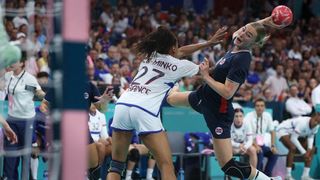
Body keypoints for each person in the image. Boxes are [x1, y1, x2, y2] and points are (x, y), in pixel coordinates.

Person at [166, 16, 286, 180]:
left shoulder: (242, 59)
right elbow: (244, 29)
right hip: (203, 97)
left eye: (248, 35)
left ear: (253, 43)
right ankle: (172, 80)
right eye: (244, 30)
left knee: (228, 167)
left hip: (218, 112)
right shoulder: (237, 43)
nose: (242, 34)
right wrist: (268, 20)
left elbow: (228, 92)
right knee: (171, 99)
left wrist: (206, 76)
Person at [107, 26, 227, 180]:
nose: (178, 48)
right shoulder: (180, 66)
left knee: (116, 165)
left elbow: (181, 51)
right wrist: (224, 60)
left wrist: (208, 43)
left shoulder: (150, 56)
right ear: (172, 48)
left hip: (123, 105)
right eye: (176, 45)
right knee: (166, 165)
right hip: (144, 109)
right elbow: (208, 72)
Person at [2, 51, 46, 180]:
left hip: (27, 122)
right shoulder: (7, 76)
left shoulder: (30, 79)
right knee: (10, 157)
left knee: (26, 158)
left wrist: (47, 97)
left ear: (22, 63)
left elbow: (39, 93)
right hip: (11, 121)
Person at [276, 114, 319, 180]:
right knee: (292, 148)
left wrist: (309, 150)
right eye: (315, 120)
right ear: (312, 118)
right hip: (283, 130)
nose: (316, 123)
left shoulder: (317, 126)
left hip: (295, 134)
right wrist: (304, 153)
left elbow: (311, 137)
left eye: (318, 122)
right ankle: (288, 175)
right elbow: (293, 139)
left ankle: (305, 176)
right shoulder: (303, 123)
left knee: (312, 149)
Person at [245, 98, 278, 176]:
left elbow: (272, 131)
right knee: (259, 152)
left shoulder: (267, 115)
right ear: (254, 107)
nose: (260, 108)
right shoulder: (249, 116)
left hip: (261, 144)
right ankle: (258, 176)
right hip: (250, 143)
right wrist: (255, 145)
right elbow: (247, 134)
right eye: (257, 106)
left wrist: (273, 145)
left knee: (274, 154)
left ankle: (267, 175)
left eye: (262, 106)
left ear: (265, 107)